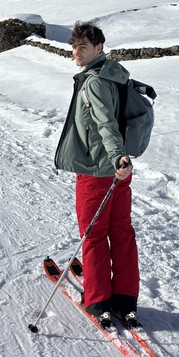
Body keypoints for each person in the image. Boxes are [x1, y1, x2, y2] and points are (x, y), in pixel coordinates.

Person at [54, 21, 139, 328]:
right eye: (74, 46)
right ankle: (126, 298)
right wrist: (122, 161)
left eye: (83, 47)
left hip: (98, 171)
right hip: (120, 171)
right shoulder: (114, 74)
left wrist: (116, 155)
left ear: (99, 48)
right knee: (121, 232)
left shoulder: (93, 82)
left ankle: (98, 300)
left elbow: (105, 124)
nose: (76, 52)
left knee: (93, 237)